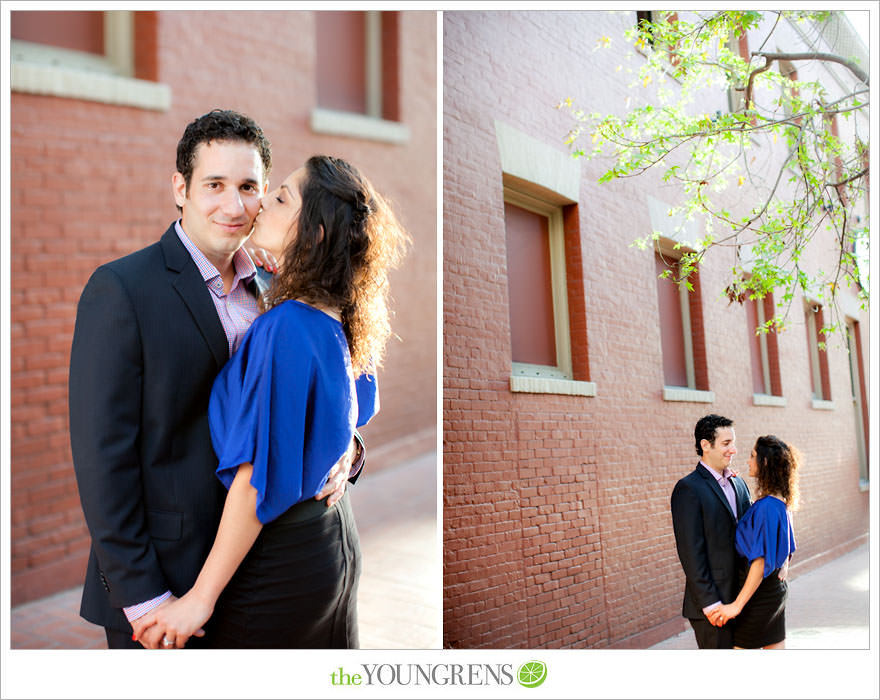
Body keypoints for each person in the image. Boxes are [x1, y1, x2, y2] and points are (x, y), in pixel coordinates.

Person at [69, 110, 359, 650]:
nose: (234, 205)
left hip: (255, 573)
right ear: (180, 188)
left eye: (249, 187)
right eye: (214, 185)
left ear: (266, 191)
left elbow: (329, 378)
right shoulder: (123, 289)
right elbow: (101, 456)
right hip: (168, 581)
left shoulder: (283, 283)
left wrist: (345, 448)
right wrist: (142, 595)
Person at [134, 155, 410, 648]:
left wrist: (201, 596)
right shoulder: (336, 310)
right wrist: (343, 445)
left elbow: (253, 483)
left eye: (281, 197)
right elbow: (356, 407)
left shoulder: (285, 326)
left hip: (282, 559)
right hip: (331, 541)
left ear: (316, 232)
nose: (261, 204)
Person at [670, 414, 752, 648]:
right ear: (705, 445)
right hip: (712, 607)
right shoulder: (688, 488)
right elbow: (690, 552)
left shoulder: (739, 483)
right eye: (726, 444)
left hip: (742, 600)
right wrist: (710, 603)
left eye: (733, 443)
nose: (733, 450)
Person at [711, 435, 799, 649]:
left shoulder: (767, 507)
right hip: (774, 591)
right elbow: (786, 542)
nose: (748, 461)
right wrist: (784, 563)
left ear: (765, 463)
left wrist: (736, 606)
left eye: (752, 456)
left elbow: (759, 563)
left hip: (758, 596)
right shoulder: (779, 501)